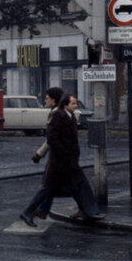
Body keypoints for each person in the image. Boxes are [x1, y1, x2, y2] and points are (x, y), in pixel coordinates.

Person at [20, 94, 102, 227]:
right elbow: (51, 138)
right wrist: (64, 153)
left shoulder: (71, 117)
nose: (76, 106)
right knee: (48, 189)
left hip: (69, 161)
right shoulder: (58, 116)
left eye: (76, 103)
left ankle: (88, 211)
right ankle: (28, 212)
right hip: (60, 163)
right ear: (65, 105)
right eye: (73, 104)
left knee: (78, 185)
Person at [24, 87, 65, 222]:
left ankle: (33, 211)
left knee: (49, 186)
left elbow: (51, 139)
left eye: (47, 98)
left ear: (53, 100)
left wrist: (38, 154)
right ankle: (39, 210)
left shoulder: (56, 113)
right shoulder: (59, 112)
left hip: (58, 156)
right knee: (51, 186)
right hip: (59, 156)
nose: (45, 100)